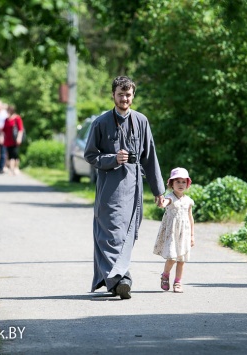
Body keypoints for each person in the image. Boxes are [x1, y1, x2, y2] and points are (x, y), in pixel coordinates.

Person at [84, 76, 165, 299]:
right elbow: (90, 155)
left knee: (127, 233)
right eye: (120, 94)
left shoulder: (141, 121)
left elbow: (150, 158)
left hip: (133, 188)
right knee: (109, 234)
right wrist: (112, 159)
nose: (124, 98)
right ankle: (122, 278)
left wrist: (159, 190)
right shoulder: (100, 123)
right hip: (109, 189)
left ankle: (118, 279)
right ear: (113, 95)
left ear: (133, 96)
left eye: (128, 94)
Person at [153, 167, 195, 293]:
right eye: (178, 182)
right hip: (172, 233)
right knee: (172, 257)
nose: (181, 184)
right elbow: (164, 203)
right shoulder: (170, 197)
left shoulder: (188, 201)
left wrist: (192, 235)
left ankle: (178, 282)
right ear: (172, 184)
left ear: (187, 184)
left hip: (184, 234)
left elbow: (190, 218)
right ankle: (165, 275)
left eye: (183, 182)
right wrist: (161, 202)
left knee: (181, 260)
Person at [0, 105, 24, 175]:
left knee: (15, 154)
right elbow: (3, 130)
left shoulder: (17, 118)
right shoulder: (6, 120)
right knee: (9, 155)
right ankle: (11, 168)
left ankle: (16, 168)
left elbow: (20, 129)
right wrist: (1, 137)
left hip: (15, 140)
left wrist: (19, 138)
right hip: (8, 140)